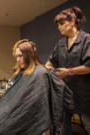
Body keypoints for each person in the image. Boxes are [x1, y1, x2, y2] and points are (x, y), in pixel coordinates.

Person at [0, 39, 72, 135]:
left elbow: (36, 104)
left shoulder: (40, 74)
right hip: (11, 113)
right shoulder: (22, 73)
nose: (17, 60)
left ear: (29, 55)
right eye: (16, 56)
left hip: (23, 117)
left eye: (20, 56)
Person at [45, 6, 90, 135]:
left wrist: (68, 71)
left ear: (72, 22)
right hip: (65, 94)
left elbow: (89, 67)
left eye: (62, 24)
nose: (59, 27)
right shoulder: (60, 44)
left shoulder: (87, 40)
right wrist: (48, 67)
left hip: (85, 94)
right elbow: (50, 62)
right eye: (57, 25)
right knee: (64, 128)